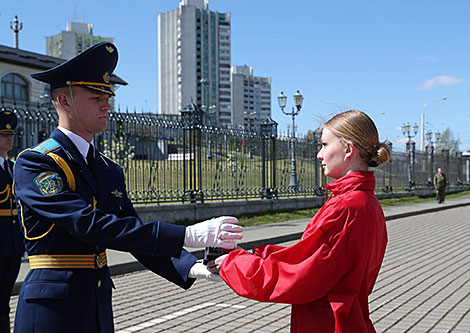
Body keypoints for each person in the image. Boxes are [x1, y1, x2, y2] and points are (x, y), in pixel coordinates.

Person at [13, 42, 242, 333]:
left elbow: (129, 228)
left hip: (96, 304)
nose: (107, 104)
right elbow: (88, 223)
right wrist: (186, 234)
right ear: (64, 101)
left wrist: (190, 266)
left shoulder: (109, 169)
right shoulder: (37, 163)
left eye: (108, 96)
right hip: (52, 310)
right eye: (97, 96)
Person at [210, 110, 392, 332]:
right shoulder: (368, 203)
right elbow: (308, 257)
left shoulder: (345, 207)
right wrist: (254, 255)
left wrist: (233, 264)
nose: (319, 154)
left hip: (328, 324)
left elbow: (299, 277)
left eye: (325, 145)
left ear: (347, 150)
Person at [0, 111, 24, 333]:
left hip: (13, 245)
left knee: (5, 300)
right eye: (3, 135)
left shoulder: (14, 167)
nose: (9, 139)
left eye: (11, 134)